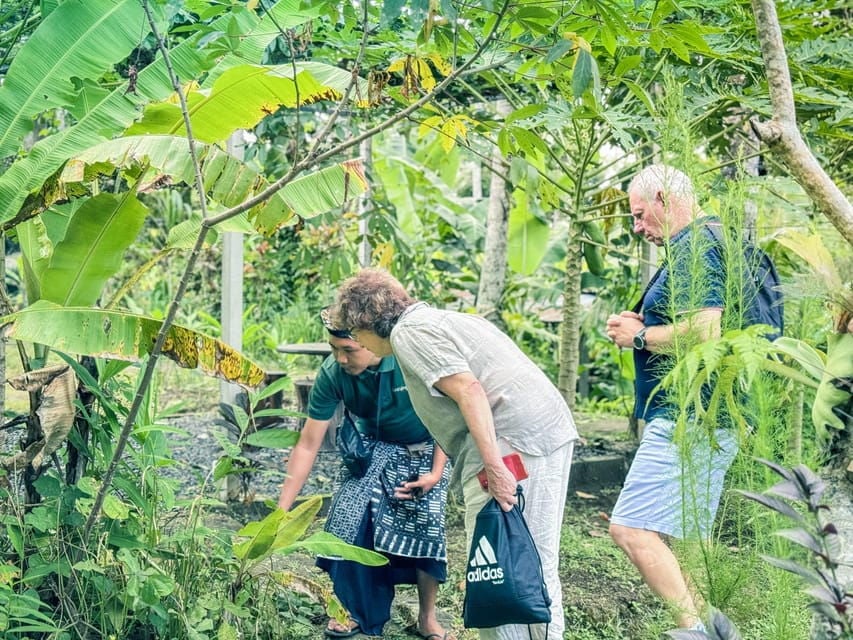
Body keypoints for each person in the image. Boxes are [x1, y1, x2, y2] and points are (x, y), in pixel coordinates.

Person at [333, 270, 578, 640]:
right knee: (530, 560)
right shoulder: (436, 319)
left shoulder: (408, 333)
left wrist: (494, 468)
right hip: (537, 434)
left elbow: (469, 390)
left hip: (514, 443)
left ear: (365, 324)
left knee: (502, 563)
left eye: (353, 334)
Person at [605, 164, 739, 631]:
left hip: (691, 414)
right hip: (708, 412)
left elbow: (706, 331)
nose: (638, 227)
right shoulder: (706, 241)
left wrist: (640, 337)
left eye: (640, 214)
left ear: (663, 197)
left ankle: (694, 631)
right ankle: (710, 627)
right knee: (683, 539)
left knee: (630, 528)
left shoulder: (697, 246)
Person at [277, 309, 454, 640]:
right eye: (333, 349)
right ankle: (355, 611)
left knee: (428, 525)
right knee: (348, 516)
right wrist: (280, 511)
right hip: (372, 450)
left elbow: (448, 415)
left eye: (349, 350)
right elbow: (307, 444)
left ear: (374, 343)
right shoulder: (333, 372)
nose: (340, 358)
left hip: (426, 450)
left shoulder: (408, 361)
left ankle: (427, 617)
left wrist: (435, 474)